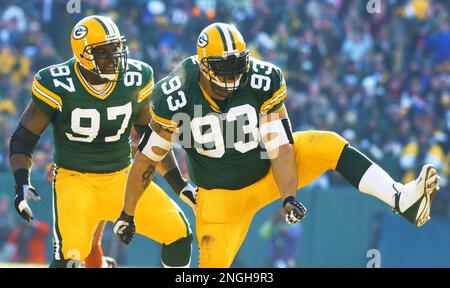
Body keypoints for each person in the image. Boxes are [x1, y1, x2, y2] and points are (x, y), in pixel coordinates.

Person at [114, 23, 440, 268]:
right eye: (223, 69)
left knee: (325, 144)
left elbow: (281, 146)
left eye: (237, 66)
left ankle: (401, 198)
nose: (233, 78)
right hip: (221, 201)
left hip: (269, 171)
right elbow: (148, 158)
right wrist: (142, 205)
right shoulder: (176, 94)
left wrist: (288, 196)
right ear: (203, 66)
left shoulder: (260, 80)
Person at [9, 15, 194, 268]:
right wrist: (21, 181)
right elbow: (23, 138)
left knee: (179, 234)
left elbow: (153, 138)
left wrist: (179, 183)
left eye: (116, 48)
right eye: (103, 52)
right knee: (69, 259)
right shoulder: (57, 82)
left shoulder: (136, 77)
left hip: (122, 178)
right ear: (83, 54)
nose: (113, 57)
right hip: (75, 181)